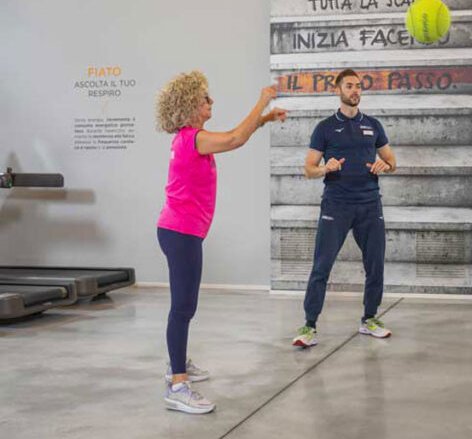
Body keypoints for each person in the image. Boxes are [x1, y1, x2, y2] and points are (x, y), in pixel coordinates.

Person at [155, 70, 286, 413]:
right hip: (181, 233)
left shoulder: (189, 138)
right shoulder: (193, 139)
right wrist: (262, 101)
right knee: (183, 307)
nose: (211, 101)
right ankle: (177, 385)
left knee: (185, 306)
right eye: (205, 98)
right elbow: (234, 139)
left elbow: (234, 136)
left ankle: (177, 363)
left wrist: (263, 120)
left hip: (179, 231)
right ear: (190, 105)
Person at [292, 69, 397, 348]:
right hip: (336, 205)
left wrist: (385, 165)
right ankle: (309, 325)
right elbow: (308, 169)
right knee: (321, 266)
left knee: (375, 265)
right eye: (349, 86)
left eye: (358, 86)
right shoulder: (325, 128)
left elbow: (392, 162)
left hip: (369, 204)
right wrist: (325, 168)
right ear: (337, 90)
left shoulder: (373, 125)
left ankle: (369, 319)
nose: (355, 90)